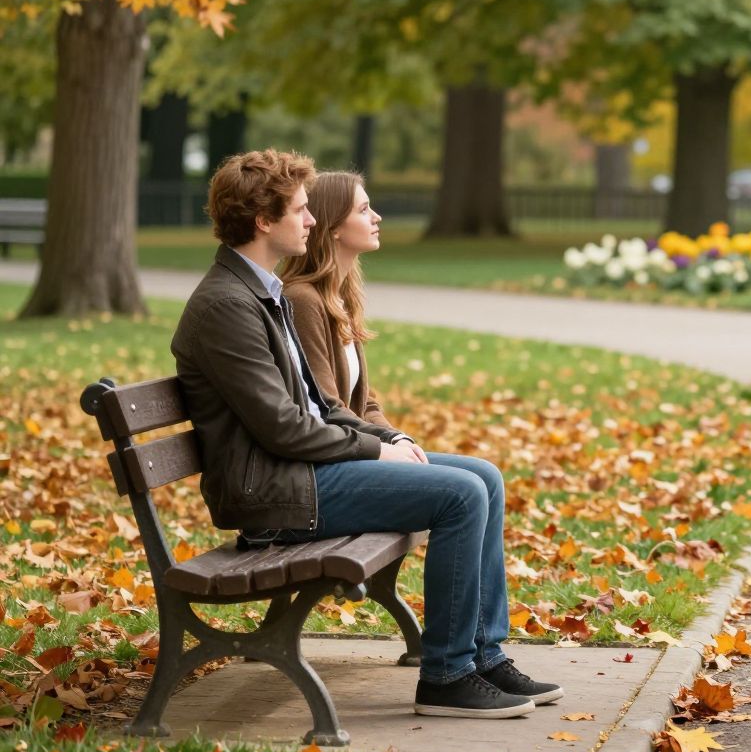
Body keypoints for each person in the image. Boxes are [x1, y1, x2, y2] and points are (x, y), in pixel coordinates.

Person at [171, 150, 559, 720]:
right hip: (274, 496)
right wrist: (374, 448)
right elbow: (283, 428)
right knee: (460, 494)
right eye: (300, 210)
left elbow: (322, 405)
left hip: (299, 475)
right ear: (263, 221)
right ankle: (448, 675)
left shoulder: (259, 292)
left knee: (484, 477)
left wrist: (390, 442)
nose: (310, 220)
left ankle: (483, 654)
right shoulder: (228, 306)